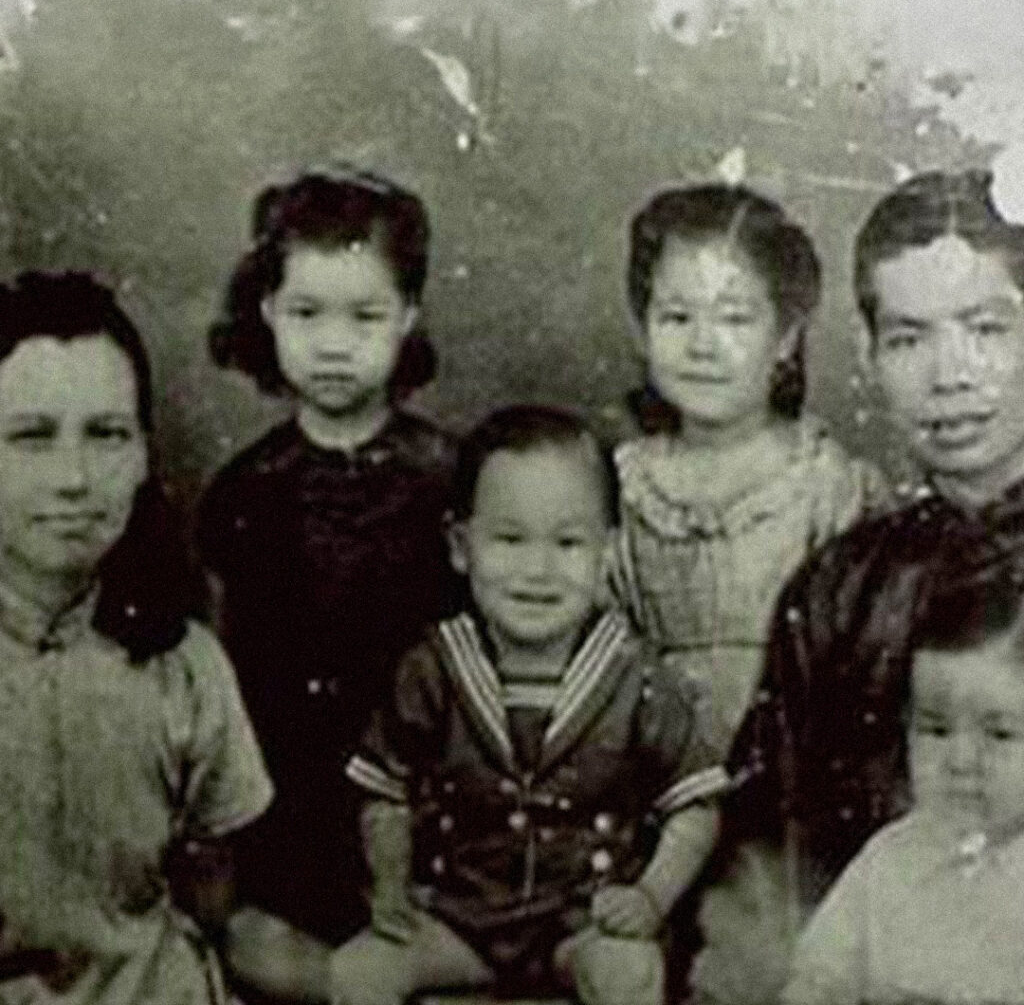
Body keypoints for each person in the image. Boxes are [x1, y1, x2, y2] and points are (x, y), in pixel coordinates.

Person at [724, 169, 1024, 999]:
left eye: (986, 328)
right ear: (866, 356)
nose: (950, 373)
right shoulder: (838, 589)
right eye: (908, 338)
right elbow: (764, 857)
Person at [333, 405, 728, 1005]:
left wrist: (650, 895)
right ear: (461, 546)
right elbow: (385, 790)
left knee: (629, 973)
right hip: (456, 921)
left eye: (569, 542)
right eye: (510, 539)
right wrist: (388, 888)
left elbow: (696, 801)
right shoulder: (432, 668)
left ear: (608, 552)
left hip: (581, 926)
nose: (537, 571)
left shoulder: (635, 674)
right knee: (361, 972)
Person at [612, 184, 885, 1003]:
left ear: (788, 336)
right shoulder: (619, 488)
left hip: (791, 803)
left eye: (735, 318)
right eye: (676, 316)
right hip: (646, 803)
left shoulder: (829, 486)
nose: (704, 345)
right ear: (641, 327)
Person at [197, 168, 457, 986]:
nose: (334, 342)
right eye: (307, 313)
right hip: (288, 793)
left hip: (423, 790)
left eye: (365, 315)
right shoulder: (245, 491)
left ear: (408, 316)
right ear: (269, 312)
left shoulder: (449, 479)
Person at [0, 271, 272, 1005]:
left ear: (145, 454)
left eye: (107, 435)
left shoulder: (184, 666)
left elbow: (213, 892)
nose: (75, 478)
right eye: (30, 438)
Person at [783, 571, 1024, 1005]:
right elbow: (816, 981)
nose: (961, 762)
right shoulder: (890, 862)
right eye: (936, 730)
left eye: (999, 734)